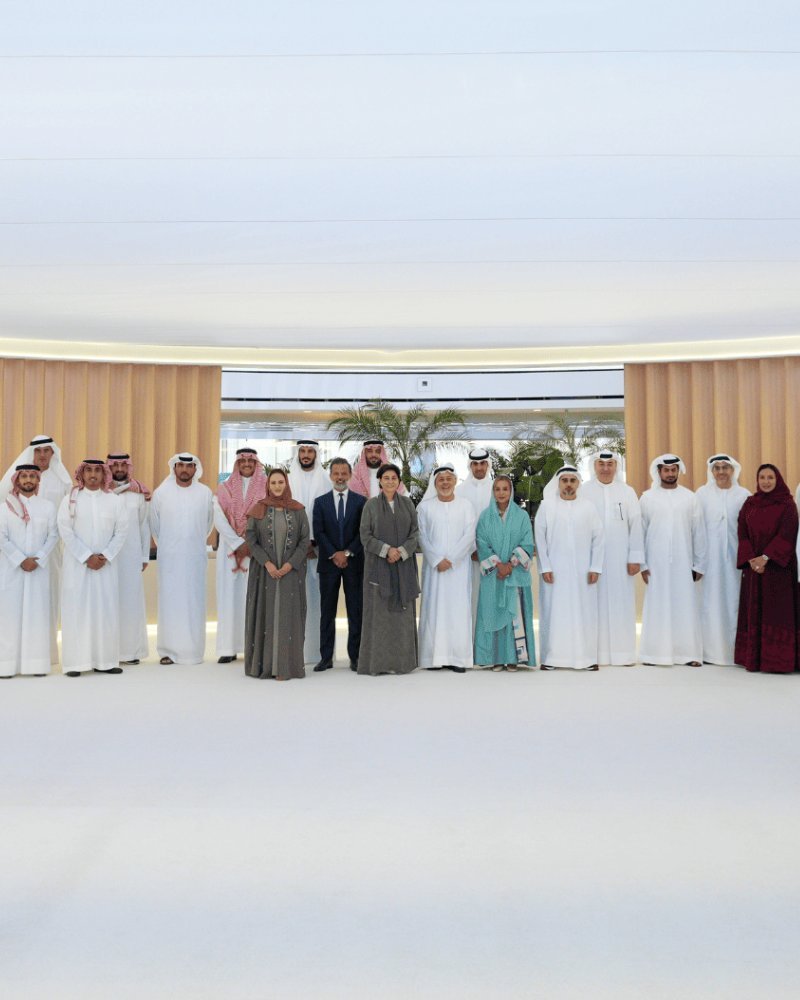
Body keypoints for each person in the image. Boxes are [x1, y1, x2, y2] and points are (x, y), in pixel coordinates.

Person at [0, 434, 72, 665]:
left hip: (50, 553)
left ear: (53, 453)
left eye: (46, 451)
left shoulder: (63, 481)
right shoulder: (17, 480)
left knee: (46, 600)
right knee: (13, 603)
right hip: (15, 555)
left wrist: (41, 555)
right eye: (38, 451)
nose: (42, 455)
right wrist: (18, 556)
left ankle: (44, 654)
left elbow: (68, 517)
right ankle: (11, 656)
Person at [58, 460, 127, 676]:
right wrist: (86, 556)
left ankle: (106, 661)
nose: (93, 474)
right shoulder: (70, 500)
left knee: (105, 611)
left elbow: (121, 531)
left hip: (106, 566)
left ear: (104, 474)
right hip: (77, 566)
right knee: (77, 611)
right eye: (89, 470)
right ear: (82, 474)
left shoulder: (114, 500)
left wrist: (105, 555)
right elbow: (65, 530)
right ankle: (75, 663)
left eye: (98, 470)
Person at [639, 454, 707, 666]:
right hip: (655, 563)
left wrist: (699, 563)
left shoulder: (690, 498)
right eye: (666, 470)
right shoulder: (647, 498)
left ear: (678, 471)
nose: (670, 473)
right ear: (659, 472)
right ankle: (654, 654)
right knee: (657, 606)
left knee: (684, 606)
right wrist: (642, 564)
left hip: (683, 562)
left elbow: (699, 533)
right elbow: (640, 532)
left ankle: (688, 654)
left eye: (673, 470)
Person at [535, 466, 604, 671]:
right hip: (554, 572)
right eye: (564, 480)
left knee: (585, 612)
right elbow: (540, 539)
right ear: (558, 483)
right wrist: (545, 567)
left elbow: (599, 538)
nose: (568, 484)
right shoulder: (547, 506)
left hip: (583, 572)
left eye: (572, 480)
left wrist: (595, 566)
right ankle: (552, 659)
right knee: (554, 613)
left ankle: (586, 658)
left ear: (578, 483)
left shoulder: (588, 507)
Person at [244, 469, 310, 680]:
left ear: (286, 484)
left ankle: (285, 667)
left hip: (291, 573)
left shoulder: (298, 510)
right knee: (267, 614)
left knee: (288, 617)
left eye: (281, 482)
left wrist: (290, 565)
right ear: (268, 485)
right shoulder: (258, 509)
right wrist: (267, 563)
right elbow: (251, 540)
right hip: (265, 573)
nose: (277, 486)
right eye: (273, 483)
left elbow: (304, 541)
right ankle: (265, 666)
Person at [580, 450, 644, 666]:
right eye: (601, 464)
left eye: (610, 464)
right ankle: (595, 654)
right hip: (590, 559)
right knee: (593, 604)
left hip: (620, 559)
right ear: (594, 466)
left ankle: (622, 654)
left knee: (621, 604)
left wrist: (635, 557)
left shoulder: (627, 492)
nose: (606, 468)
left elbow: (636, 525)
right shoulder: (584, 491)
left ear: (616, 466)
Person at [735, 464, 800, 673]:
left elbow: (788, 534)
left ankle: (777, 661)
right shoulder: (750, 504)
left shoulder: (787, 504)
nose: (766, 481)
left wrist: (765, 558)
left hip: (778, 570)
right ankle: (754, 659)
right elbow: (742, 532)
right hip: (754, 569)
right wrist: (752, 560)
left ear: (777, 479)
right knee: (754, 610)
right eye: (762, 477)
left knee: (777, 613)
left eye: (770, 477)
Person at [150, 453, 214, 665]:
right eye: (180, 466)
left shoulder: (205, 493)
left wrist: (191, 543)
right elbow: (155, 526)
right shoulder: (161, 493)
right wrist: (169, 547)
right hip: (169, 559)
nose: (185, 470)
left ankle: (193, 651)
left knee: (194, 602)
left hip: (195, 558)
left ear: (195, 469)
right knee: (169, 603)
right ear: (174, 468)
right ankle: (167, 651)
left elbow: (208, 525)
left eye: (189, 466)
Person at [358, 462, 420, 675]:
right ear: (380, 481)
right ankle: (379, 664)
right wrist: (386, 551)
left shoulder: (408, 504)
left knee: (402, 617)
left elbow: (415, 533)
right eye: (386, 478)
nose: (390, 481)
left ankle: (402, 663)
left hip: (404, 568)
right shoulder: (371, 506)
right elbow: (365, 536)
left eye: (394, 478)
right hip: (379, 568)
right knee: (380, 616)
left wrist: (401, 551)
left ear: (399, 481)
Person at [0, 465, 59, 678]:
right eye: (24, 476)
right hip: (11, 570)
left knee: (37, 616)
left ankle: (36, 665)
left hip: (38, 569)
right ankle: (6, 666)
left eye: (32, 476)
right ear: (17, 480)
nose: (28, 480)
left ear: (38, 480)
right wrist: (20, 559)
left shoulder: (48, 507)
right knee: (9, 616)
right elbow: (2, 537)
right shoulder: (4, 507)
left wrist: (38, 558)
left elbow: (53, 536)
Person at [418, 464, 477, 672]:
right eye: (441, 479)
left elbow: (470, 535)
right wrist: (436, 559)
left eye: (448, 479)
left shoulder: (466, 506)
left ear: (455, 481)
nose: (445, 483)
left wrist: (451, 559)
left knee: (458, 610)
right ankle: (433, 658)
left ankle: (458, 658)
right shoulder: (424, 508)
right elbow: (421, 535)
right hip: (434, 569)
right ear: (435, 483)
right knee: (433, 610)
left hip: (458, 569)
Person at [474, 475, 535, 671]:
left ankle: (514, 658)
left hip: (515, 575)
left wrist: (511, 564)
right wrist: (498, 565)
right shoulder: (485, 517)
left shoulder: (522, 516)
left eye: (505, 489)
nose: (501, 493)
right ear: (493, 492)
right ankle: (497, 658)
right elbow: (481, 543)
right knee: (493, 613)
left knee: (514, 615)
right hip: (494, 575)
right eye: (497, 489)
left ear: (511, 491)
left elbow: (528, 543)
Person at [213, 448, 267, 664]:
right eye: (242, 461)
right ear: (237, 464)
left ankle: (252, 646)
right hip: (229, 551)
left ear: (256, 463)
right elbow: (218, 518)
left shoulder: (266, 487)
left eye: (250, 461)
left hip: (256, 550)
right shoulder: (224, 488)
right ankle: (228, 648)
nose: (246, 464)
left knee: (253, 597)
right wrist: (237, 543)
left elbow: (268, 517)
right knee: (229, 598)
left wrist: (250, 544)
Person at [312, 458, 366, 672]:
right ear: (331, 476)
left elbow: (363, 532)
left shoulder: (361, 502)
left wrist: (348, 553)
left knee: (355, 611)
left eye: (344, 473)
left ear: (350, 475)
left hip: (354, 564)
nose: (340, 477)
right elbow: (319, 532)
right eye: (336, 473)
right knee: (327, 612)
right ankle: (326, 657)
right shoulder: (320, 502)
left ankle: (356, 656)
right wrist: (335, 554)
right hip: (328, 564)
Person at [696, 454, 750, 665]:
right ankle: (710, 653)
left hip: (736, 560)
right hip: (708, 561)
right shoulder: (702, 494)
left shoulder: (744, 495)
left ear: (733, 470)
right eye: (717, 468)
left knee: (734, 602)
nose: (721, 472)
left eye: (725, 467)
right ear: (712, 471)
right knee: (710, 603)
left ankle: (735, 652)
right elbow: (696, 529)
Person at [107, 452, 152, 665]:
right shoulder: (103, 494)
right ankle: (109, 652)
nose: (119, 469)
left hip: (132, 556)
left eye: (122, 465)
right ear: (109, 468)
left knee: (131, 602)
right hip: (107, 557)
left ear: (128, 467)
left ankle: (131, 651)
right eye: (114, 465)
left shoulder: (138, 495)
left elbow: (144, 526)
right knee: (108, 601)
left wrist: (144, 555)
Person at [287, 440, 329, 665]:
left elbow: (329, 516)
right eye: (302, 451)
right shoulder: (288, 479)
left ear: (316, 454)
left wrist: (314, 543)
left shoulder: (326, 479)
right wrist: (301, 545)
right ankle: (293, 652)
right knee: (293, 601)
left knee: (317, 602)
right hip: (292, 551)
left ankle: (317, 652)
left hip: (319, 550)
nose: (305, 455)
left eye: (310, 451)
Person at [456, 447, 495, 631]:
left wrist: (488, 551)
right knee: (470, 598)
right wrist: (472, 549)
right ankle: (471, 641)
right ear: (470, 466)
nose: (479, 467)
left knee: (491, 599)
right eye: (475, 464)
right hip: (468, 556)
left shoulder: (498, 489)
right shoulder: (460, 491)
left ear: (488, 465)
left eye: (482, 463)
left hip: (494, 555)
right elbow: (459, 524)